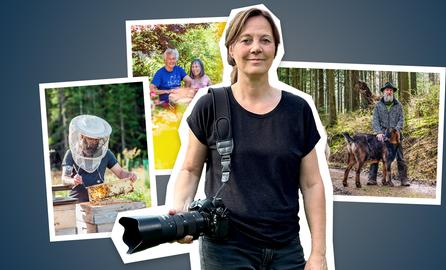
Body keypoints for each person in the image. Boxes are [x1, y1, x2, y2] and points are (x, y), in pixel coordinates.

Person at [172, 8, 327, 270]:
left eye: (265, 40)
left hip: (286, 251)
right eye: (246, 40)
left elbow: (312, 184)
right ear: (231, 49)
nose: (256, 47)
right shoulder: (210, 105)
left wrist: (318, 254)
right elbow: (189, 169)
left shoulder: (297, 110)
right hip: (226, 251)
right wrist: (180, 215)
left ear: (275, 48)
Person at [62, 115, 137, 202]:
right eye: (91, 139)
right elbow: (65, 178)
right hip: (76, 202)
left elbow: (120, 172)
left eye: (97, 139)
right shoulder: (71, 154)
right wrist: (73, 180)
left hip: (99, 200)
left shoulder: (106, 154)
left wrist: (129, 176)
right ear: (82, 137)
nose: (95, 142)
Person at [368, 82, 410, 186]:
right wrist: (378, 132)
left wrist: (396, 130)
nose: (389, 92)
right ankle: (372, 178)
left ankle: (404, 179)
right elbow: (375, 120)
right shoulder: (378, 105)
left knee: (400, 156)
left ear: (393, 92)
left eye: (391, 90)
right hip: (381, 134)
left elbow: (401, 119)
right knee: (375, 155)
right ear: (383, 91)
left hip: (395, 135)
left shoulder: (398, 105)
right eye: (387, 90)